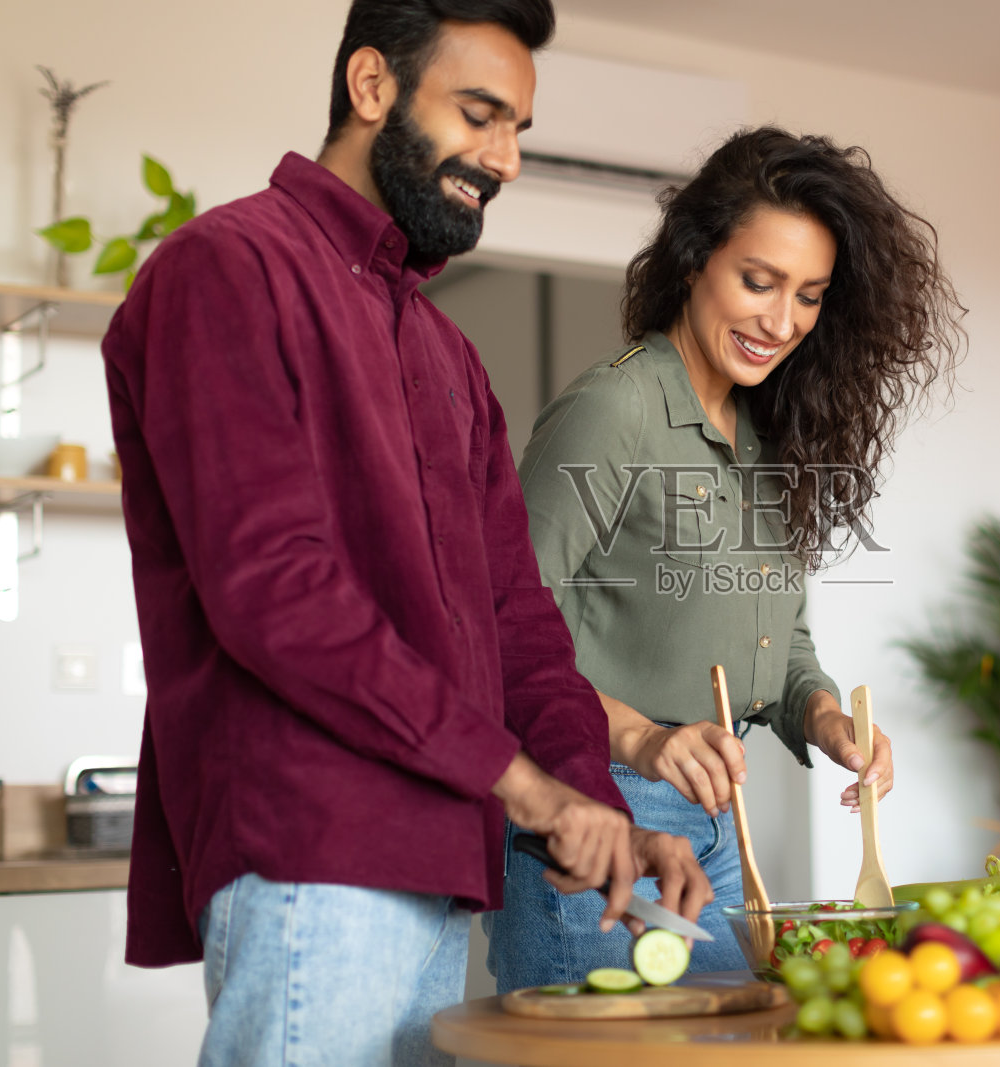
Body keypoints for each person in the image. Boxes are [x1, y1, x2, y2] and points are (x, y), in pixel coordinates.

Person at [100, 1, 710, 1063]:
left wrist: (602, 811)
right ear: (372, 87)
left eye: (518, 128)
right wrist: (524, 783)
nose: (506, 158)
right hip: (313, 851)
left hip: (445, 863)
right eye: (480, 114)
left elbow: (517, 625)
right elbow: (273, 591)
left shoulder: (445, 350)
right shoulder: (225, 269)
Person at [485, 126, 966, 990]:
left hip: (722, 833)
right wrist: (642, 737)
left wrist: (822, 716)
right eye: (759, 281)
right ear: (696, 257)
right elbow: (500, 633)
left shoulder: (769, 436)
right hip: (606, 824)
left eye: (810, 296)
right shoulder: (616, 410)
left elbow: (784, 643)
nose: (781, 321)